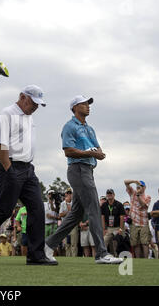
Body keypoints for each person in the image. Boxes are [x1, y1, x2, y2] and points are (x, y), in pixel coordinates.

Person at [0, 85, 56, 266]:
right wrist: (9, 170)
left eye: (39, 104)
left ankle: (36, 255)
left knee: (37, 209)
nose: (36, 107)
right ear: (22, 97)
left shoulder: (29, 116)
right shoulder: (7, 114)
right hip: (10, 167)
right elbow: (1, 146)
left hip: (28, 169)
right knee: (4, 211)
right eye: (33, 103)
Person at [45, 95, 123, 264]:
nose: (88, 106)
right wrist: (91, 153)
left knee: (76, 214)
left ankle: (48, 246)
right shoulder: (69, 126)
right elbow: (68, 150)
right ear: (74, 107)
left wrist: (96, 153)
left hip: (88, 169)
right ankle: (102, 254)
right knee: (94, 207)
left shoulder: (89, 129)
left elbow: (98, 148)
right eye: (84, 104)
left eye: (88, 104)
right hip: (78, 169)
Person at [124, 180, 152, 258]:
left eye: (141, 186)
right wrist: (135, 181)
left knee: (145, 243)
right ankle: (139, 260)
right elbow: (125, 182)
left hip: (144, 223)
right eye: (138, 186)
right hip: (134, 222)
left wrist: (138, 195)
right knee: (135, 243)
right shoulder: (132, 192)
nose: (139, 188)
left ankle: (145, 259)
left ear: (145, 187)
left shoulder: (147, 197)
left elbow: (144, 206)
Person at [101, 189, 125, 257]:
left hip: (117, 227)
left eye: (110, 194)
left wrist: (121, 228)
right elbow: (102, 217)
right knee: (104, 241)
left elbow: (122, 217)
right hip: (109, 228)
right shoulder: (104, 205)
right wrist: (104, 229)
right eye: (108, 194)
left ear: (114, 195)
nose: (109, 195)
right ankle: (103, 256)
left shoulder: (119, 204)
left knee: (115, 242)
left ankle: (117, 256)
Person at [59, 188, 79, 257]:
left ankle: (74, 258)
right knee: (66, 244)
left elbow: (74, 213)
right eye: (67, 193)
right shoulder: (62, 203)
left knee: (73, 243)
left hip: (73, 225)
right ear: (65, 194)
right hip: (65, 225)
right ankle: (68, 257)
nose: (69, 194)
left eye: (70, 193)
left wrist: (68, 210)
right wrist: (68, 212)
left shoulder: (75, 202)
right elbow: (60, 214)